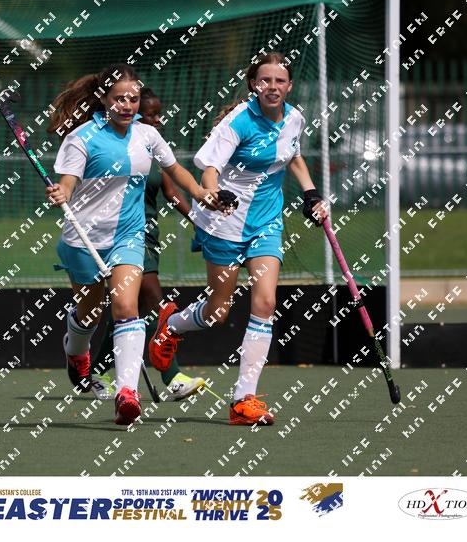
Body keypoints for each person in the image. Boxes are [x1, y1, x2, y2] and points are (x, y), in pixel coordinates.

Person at [148, 52, 328, 426]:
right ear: (253, 84)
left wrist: (311, 194)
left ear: (289, 86)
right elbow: (209, 169)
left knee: (266, 302)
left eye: (280, 81)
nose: (272, 87)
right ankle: (173, 325)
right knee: (218, 312)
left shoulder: (294, 118)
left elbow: (293, 156)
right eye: (265, 80)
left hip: (266, 224)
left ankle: (243, 400)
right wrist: (214, 194)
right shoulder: (239, 121)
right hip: (224, 223)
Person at [45, 64, 222, 425]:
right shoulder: (81, 137)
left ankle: (127, 394)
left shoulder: (147, 134)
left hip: (129, 236)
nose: (127, 105)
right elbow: (68, 182)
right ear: (103, 98)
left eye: (133, 98)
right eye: (119, 99)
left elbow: (175, 170)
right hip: (84, 239)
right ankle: (75, 349)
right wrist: (61, 192)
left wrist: (201, 192)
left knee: (126, 307)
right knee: (90, 314)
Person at [88, 87, 206, 402]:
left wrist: (199, 221)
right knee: (154, 300)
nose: (157, 119)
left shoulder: (154, 147)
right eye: (151, 114)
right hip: (123, 235)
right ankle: (172, 376)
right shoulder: (118, 148)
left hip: (150, 237)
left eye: (158, 114)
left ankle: (96, 371)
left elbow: (171, 192)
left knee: (129, 309)